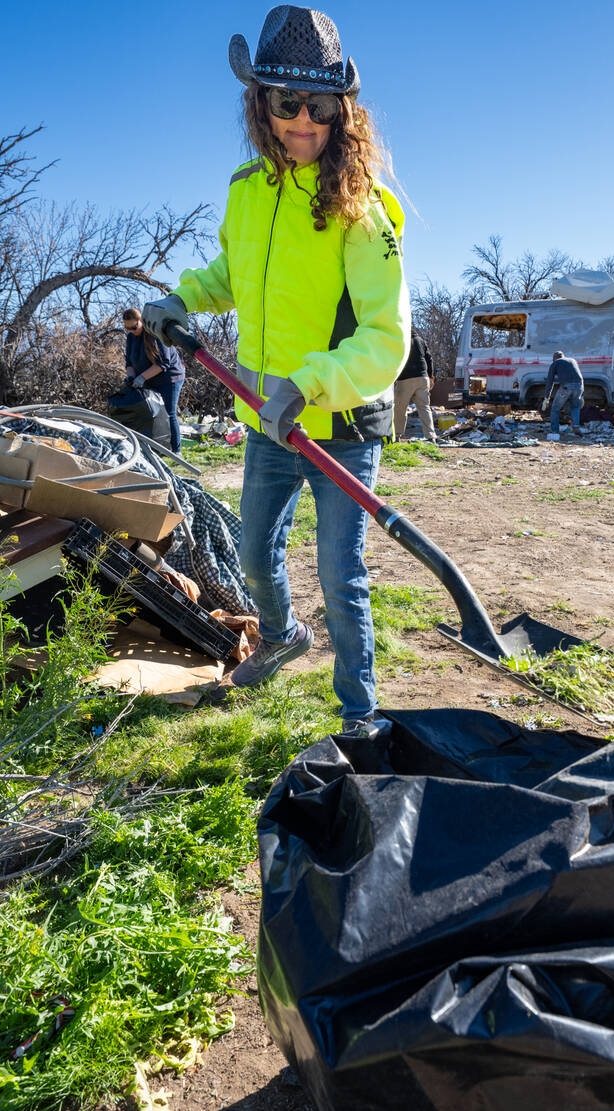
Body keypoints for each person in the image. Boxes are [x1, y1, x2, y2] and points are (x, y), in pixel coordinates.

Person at [143, 5, 410, 734]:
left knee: (340, 574)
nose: (302, 120)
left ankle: (360, 713)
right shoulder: (246, 189)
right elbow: (236, 273)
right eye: (285, 102)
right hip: (266, 420)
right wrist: (183, 298)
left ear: (341, 111)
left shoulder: (364, 212)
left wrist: (311, 383)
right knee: (254, 558)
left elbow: (388, 337)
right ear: (259, 103)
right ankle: (284, 633)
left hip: (342, 422)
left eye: (319, 105)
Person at [123, 307, 185, 452]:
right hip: (147, 378)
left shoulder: (155, 332)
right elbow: (129, 362)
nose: (131, 330)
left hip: (170, 378)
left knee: (168, 413)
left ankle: (176, 452)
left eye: (134, 327)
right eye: (128, 328)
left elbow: (163, 363)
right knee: (151, 413)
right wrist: (131, 376)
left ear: (141, 321)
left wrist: (142, 377)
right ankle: (157, 450)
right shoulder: (131, 337)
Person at [394, 325, 436, 442]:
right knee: (424, 408)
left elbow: (396, 359)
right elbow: (429, 358)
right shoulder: (420, 340)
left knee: (400, 408)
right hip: (423, 378)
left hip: (406, 379)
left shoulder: (401, 341)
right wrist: (431, 376)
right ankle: (431, 436)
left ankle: (397, 436)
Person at [543, 351, 584, 441]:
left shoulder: (555, 363)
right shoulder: (572, 360)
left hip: (566, 387)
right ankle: (576, 428)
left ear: (554, 358)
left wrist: (547, 397)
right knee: (575, 407)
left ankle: (554, 431)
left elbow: (550, 381)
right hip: (579, 386)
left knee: (555, 409)